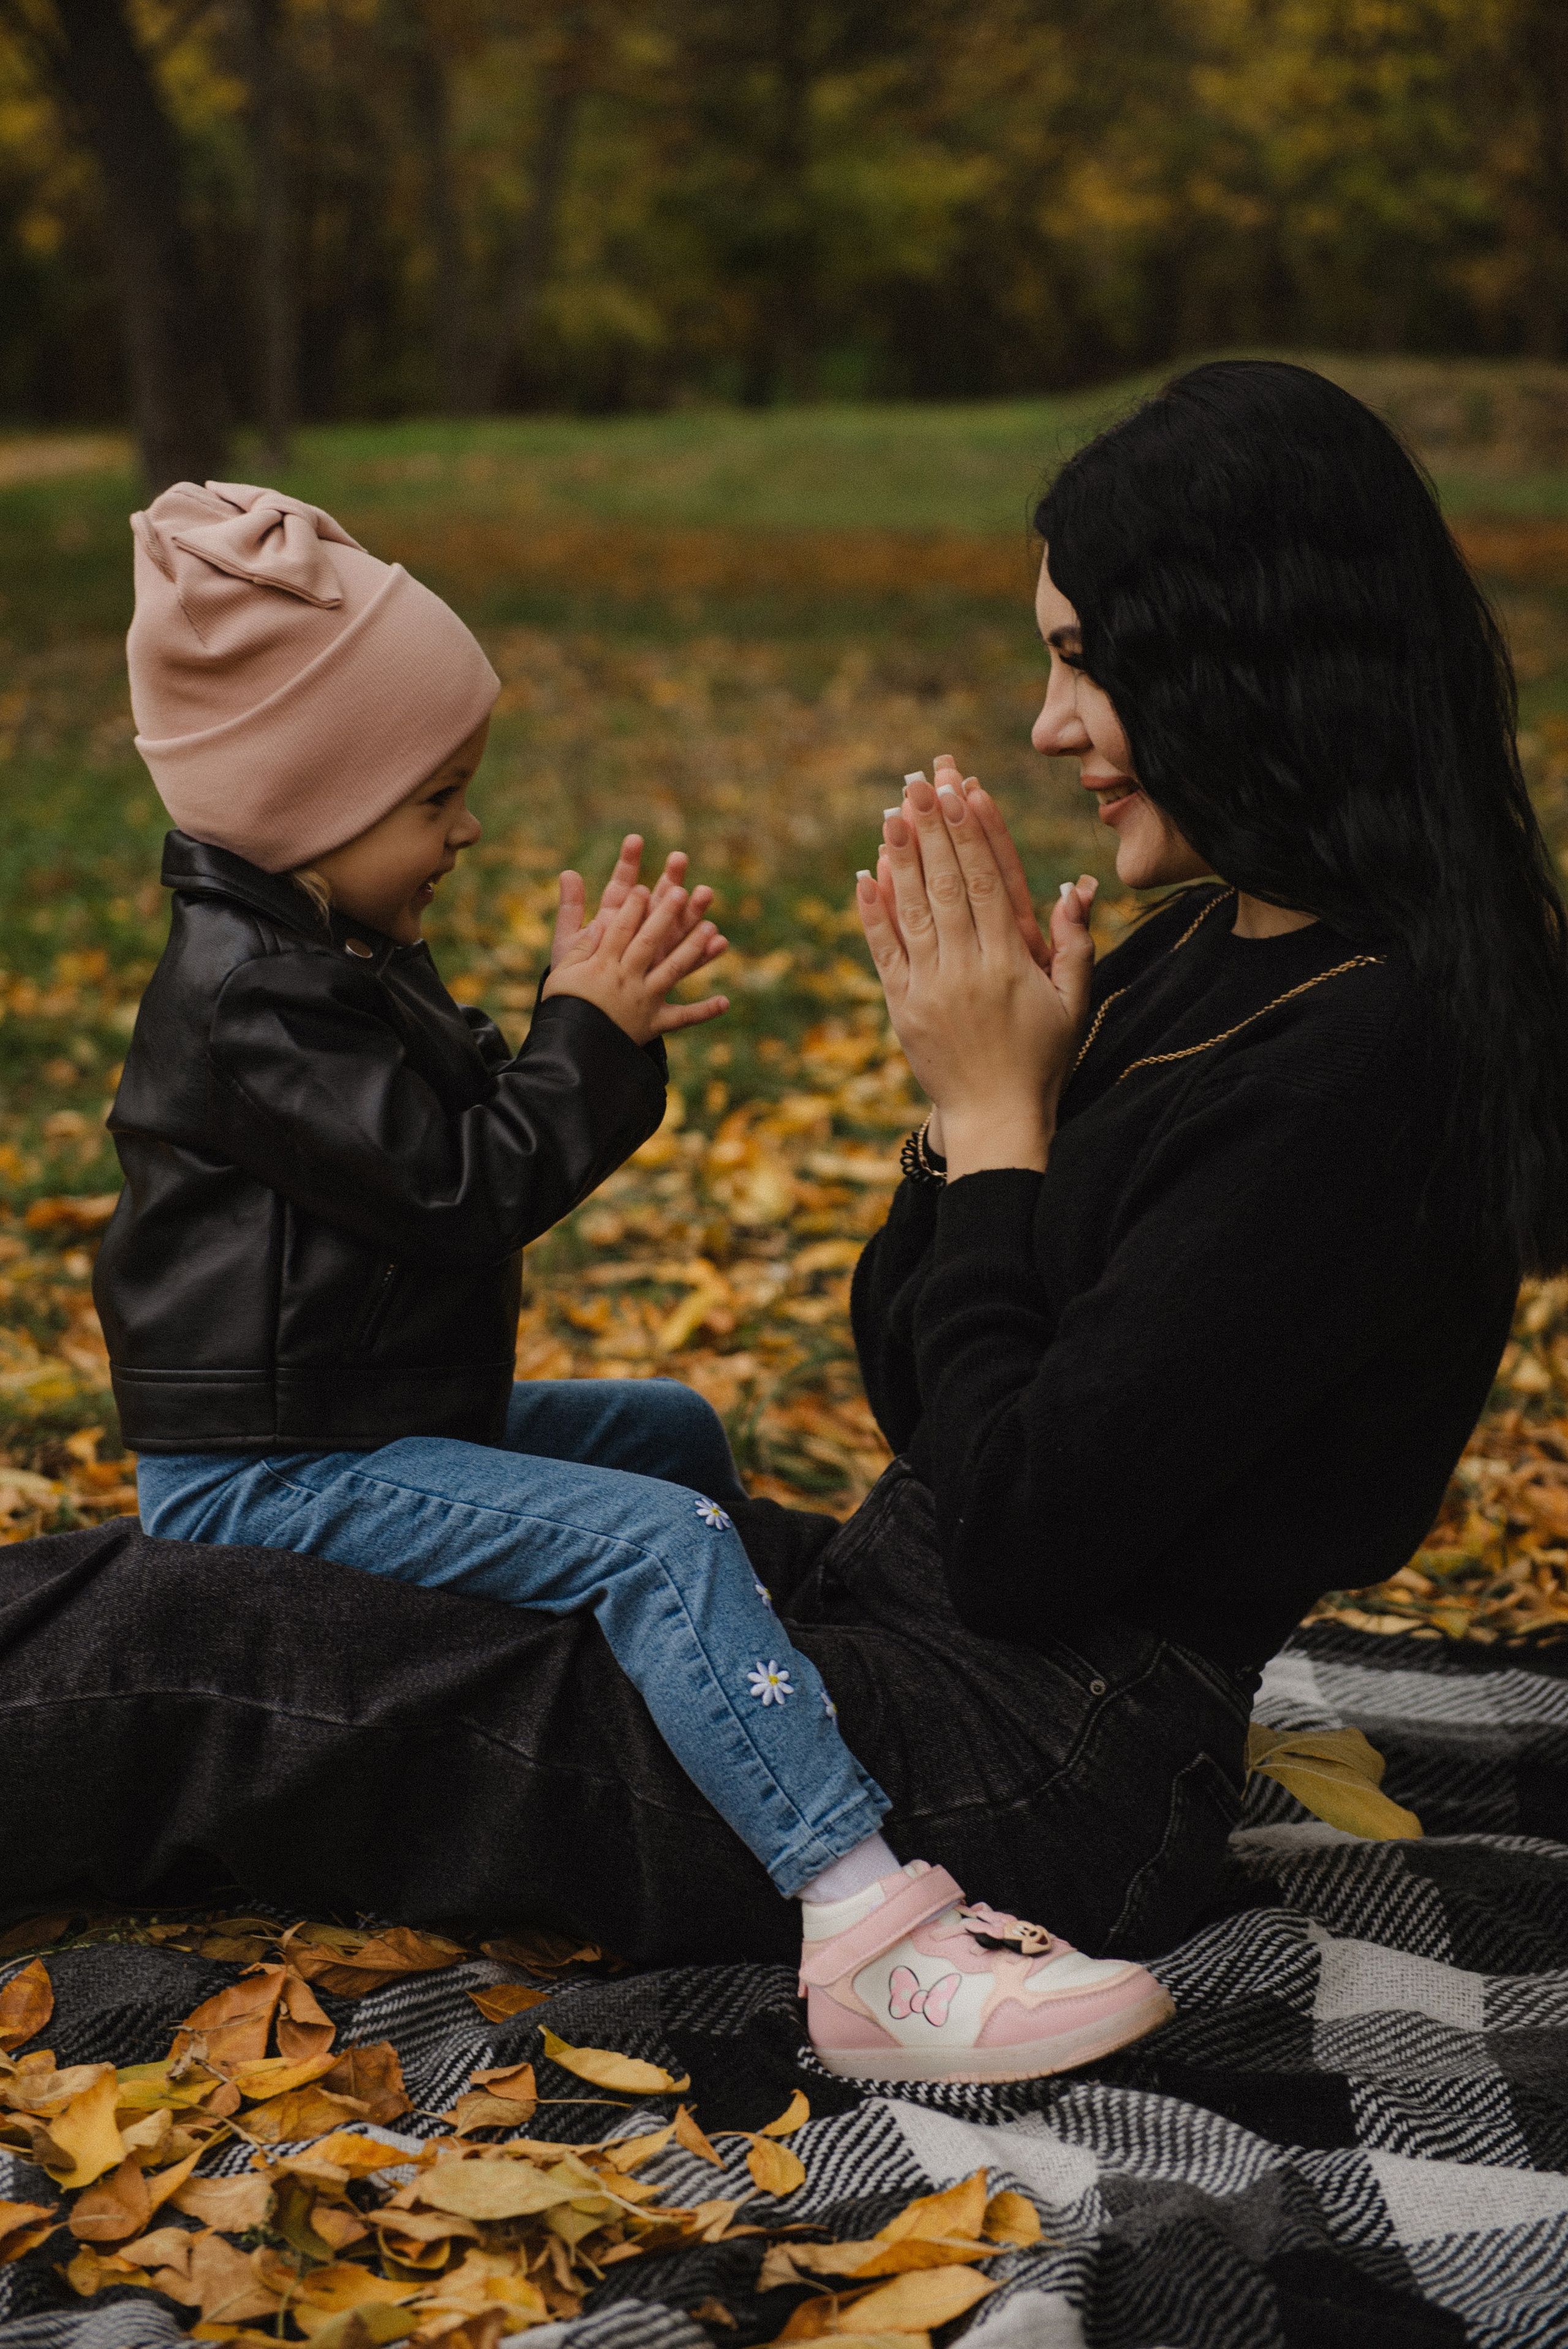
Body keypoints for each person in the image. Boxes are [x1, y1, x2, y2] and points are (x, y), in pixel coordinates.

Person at [3, 358, 1548, 2011]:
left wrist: (999, 1126)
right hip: (916, 1639)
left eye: (1088, 664)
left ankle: (880, 1935)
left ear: (1246, 661)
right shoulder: (1210, 964)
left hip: (1015, 1776)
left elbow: (1028, 1529)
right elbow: (926, 1392)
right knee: (228, 1574)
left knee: (201, 1650)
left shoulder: (1359, 1064)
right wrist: (968, 1126)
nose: (1047, 726)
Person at [94, 478, 1172, 2086]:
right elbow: (469, 1186)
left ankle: (774, 1710)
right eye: (433, 797)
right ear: (309, 804)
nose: (463, 828)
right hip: (274, 1476)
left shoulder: (323, 950)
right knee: (654, 1539)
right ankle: (863, 1923)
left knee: (662, 1436)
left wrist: (592, 1027)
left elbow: (479, 1132)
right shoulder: (250, 1002)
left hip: (358, 1412)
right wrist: (577, 1031)